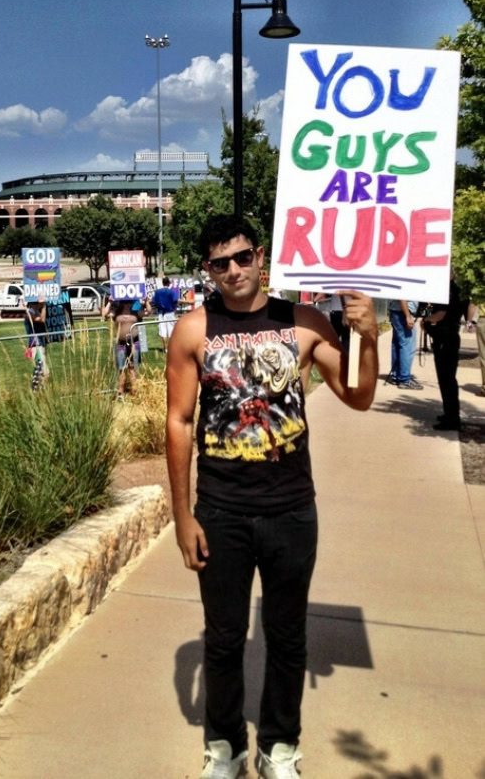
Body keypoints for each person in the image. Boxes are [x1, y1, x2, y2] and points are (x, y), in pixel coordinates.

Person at [165, 215, 378, 779]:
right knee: (224, 637)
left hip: (290, 510)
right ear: (207, 269)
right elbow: (180, 421)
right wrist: (182, 515)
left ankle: (279, 745)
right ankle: (226, 747)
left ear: (260, 256)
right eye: (219, 263)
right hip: (221, 510)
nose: (233, 271)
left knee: (287, 636)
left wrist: (370, 338)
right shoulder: (193, 330)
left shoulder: (302, 322)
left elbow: (357, 396)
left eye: (242, 258)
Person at [423, 277, 469, 430]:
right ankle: (449, 413)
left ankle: (452, 419)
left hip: (445, 337)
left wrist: (426, 320)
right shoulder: (460, 289)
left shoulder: (447, 290)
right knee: (447, 379)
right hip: (451, 336)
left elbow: (441, 314)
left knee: (446, 379)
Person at [387, 299, 422, 389]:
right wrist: (408, 316)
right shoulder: (407, 285)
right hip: (403, 313)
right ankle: (404, 379)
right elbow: (403, 298)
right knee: (407, 346)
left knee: (397, 345)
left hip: (396, 311)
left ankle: (396, 376)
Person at [111, 299, 140, 395]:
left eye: (129, 302)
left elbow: (148, 312)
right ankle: (121, 390)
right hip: (121, 343)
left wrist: (147, 302)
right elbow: (104, 313)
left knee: (132, 367)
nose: (127, 304)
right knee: (121, 367)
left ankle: (134, 389)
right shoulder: (116, 313)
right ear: (121, 303)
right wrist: (109, 302)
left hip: (133, 342)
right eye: (124, 302)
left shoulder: (135, 312)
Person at [24, 300, 49, 390]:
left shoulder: (37, 312)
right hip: (35, 345)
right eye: (36, 303)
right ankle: (35, 391)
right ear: (30, 304)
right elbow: (41, 320)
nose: (38, 304)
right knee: (43, 371)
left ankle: (40, 391)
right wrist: (44, 307)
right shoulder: (29, 313)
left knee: (40, 371)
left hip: (41, 344)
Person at [152, 276, 178, 352]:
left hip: (161, 313)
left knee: (162, 331)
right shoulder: (172, 292)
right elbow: (175, 301)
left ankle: (165, 348)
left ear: (163, 283)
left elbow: (154, 301)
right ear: (169, 283)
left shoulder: (157, 292)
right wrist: (174, 308)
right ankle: (171, 347)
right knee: (171, 330)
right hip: (170, 312)